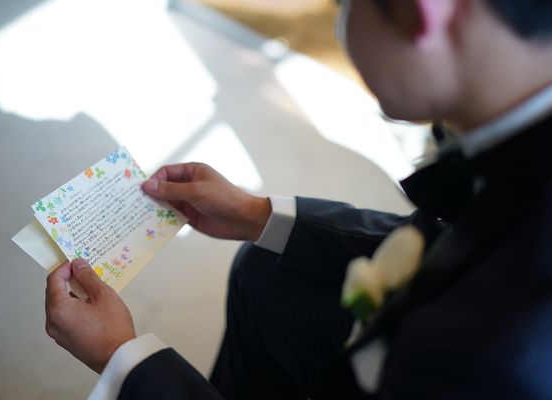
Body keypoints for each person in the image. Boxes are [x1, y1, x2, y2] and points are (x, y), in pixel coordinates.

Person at [44, 0, 552, 398]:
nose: (341, 21)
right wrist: (258, 215)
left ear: (417, 11)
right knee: (268, 268)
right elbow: (441, 239)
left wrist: (124, 361)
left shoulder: (488, 352)